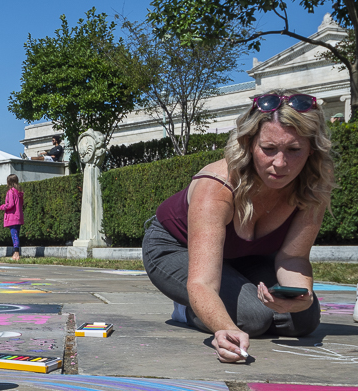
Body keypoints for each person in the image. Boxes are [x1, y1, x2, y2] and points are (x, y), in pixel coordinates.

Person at [142, 90, 333, 363]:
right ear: (249, 143)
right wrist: (224, 329)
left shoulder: (313, 185)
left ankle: (232, 291)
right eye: (268, 149)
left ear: (311, 149)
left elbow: (293, 256)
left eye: (294, 150)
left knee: (303, 319)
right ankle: (187, 309)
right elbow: (203, 281)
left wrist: (301, 296)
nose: (280, 164)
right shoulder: (217, 186)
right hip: (175, 247)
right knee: (253, 318)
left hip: (243, 256)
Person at [0, 174, 24, 261]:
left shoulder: (11, 192)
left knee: (14, 235)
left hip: (12, 216)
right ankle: (15, 253)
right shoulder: (19, 192)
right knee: (16, 234)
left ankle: (16, 254)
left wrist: (2, 206)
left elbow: (10, 204)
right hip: (19, 215)